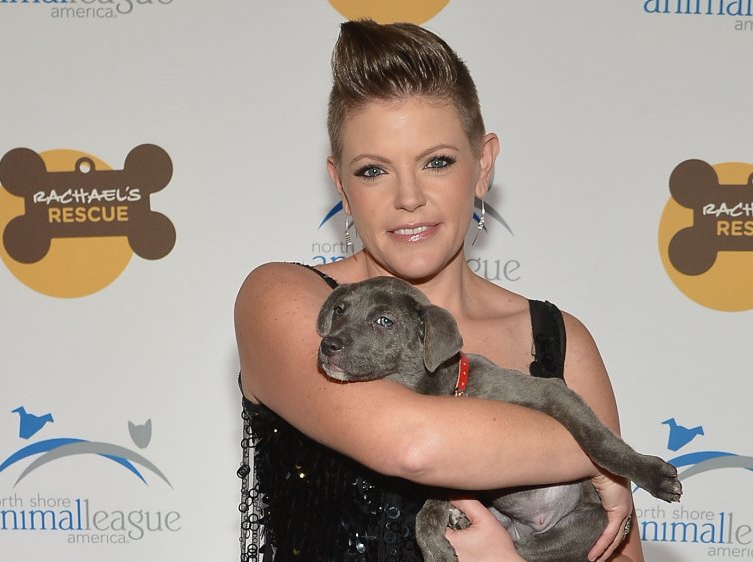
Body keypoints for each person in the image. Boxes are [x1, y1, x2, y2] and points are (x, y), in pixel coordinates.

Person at [236, 19, 643, 562]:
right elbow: (414, 443)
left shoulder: (558, 340)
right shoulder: (286, 297)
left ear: (484, 164)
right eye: (374, 170)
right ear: (341, 184)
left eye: (437, 162)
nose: (409, 197)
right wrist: (602, 453)